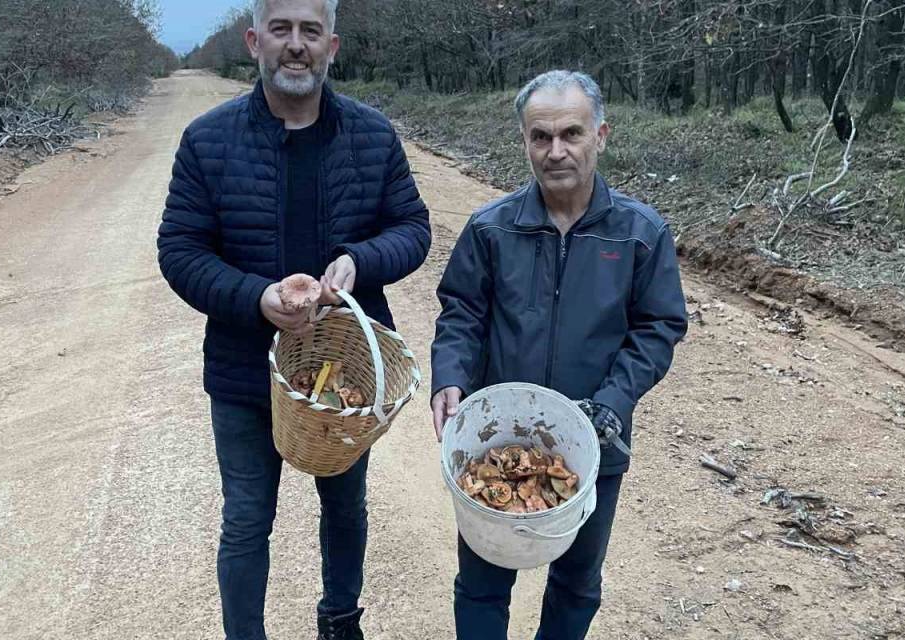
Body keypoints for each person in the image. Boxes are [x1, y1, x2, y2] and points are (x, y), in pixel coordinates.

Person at [155, 0, 431, 637]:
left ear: (333, 46)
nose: (296, 45)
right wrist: (256, 298)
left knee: (346, 509)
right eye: (282, 29)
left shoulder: (372, 135)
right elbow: (180, 250)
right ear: (255, 41)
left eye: (312, 31)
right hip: (245, 371)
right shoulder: (208, 140)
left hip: (348, 377)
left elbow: (413, 228)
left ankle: (340, 620)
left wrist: (358, 263)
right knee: (248, 518)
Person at [429, 70, 687, 640]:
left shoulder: (640, 234)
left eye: (571, 133)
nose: (556, 151)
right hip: (498, 442)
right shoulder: (490, 229)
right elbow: (461, 316)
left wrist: (612, 404)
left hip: (596, 442)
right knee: (481, 584)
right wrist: (449, 377)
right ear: (524, 142)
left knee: (576, 583)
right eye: (540, 137)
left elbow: (659, 326)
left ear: (601, 135)